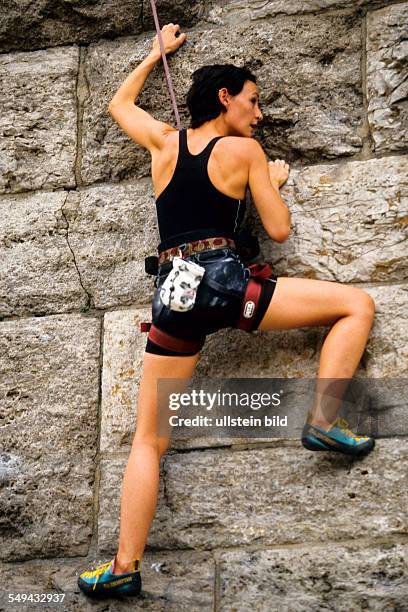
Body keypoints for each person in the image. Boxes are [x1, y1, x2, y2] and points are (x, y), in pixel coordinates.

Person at [78, 23, 376, 599]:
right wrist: (270, 181)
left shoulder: (163, 144)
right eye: (254, 100)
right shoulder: (244, 151)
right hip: (223, 285)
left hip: (173, 295)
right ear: (225, 98)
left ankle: (121, 566)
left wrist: (155, 54)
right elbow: (279, 228)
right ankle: (322, 421)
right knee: (355, 306)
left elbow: (119, 103)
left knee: (148, 440)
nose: (258, 114)